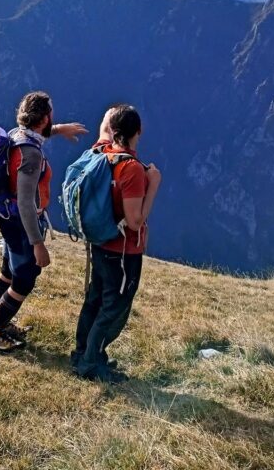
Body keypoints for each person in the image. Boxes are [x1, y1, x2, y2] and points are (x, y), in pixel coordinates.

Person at [0, 91, 88, 352]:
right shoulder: (31, 154)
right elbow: (25, 202)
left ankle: (3, 324)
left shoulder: (16, 134)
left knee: (9, 271)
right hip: (20, 222)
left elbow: (37, 134)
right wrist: (38, 243)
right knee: (25, 278)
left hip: (7, 217)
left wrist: (59, 129)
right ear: (44, 118)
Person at [72, 104, 162, 382]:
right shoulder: (132, 169)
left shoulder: (101, 152)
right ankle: (91, 362)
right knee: (114, 307)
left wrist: (112, 114)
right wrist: (154, 184)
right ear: (138, 132)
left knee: (95, 299)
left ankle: (82, 352)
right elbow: (135, 220)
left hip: (101, 244)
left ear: (112, 130)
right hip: (123, 252)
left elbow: (104, 128)